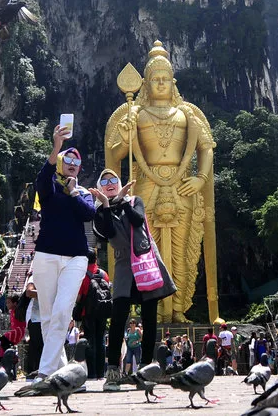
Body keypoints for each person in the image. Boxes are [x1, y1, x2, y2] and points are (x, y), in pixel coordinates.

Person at [104, 41, 219, 324]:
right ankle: (151, 310)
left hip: (182, 186)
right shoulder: (136, 114)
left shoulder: (186, 114)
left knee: (181, 250)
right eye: (155, 79)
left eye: (165, 79)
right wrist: (127, 134)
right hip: (146, 183)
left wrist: (200, 178)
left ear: (173, 82)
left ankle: (178, 308)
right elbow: (116, 153)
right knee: (146, 248)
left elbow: (207, 147)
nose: (160, 84)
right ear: (145, 83)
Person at [90, 168, 176, 391]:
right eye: (104, 181)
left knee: (149, 319)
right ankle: (112, 373)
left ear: (119, 183)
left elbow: (138, 222)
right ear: (100, 187)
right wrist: (108, 205)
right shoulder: (100, 212)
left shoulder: (135, 200)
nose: (110, 183)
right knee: (118, 318)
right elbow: (108, 232)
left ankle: (146, 370)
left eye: (113, 180)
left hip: (145, 264)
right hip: (123, 268)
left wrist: (125, 202)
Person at [31, 126, 95, 383]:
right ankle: (61, 369)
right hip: (46, 255)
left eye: (76, 162)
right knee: (47, 317)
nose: (71, 164)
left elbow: (88, 214)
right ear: (60, 163)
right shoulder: (49, 189)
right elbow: (41, 179)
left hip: (76, 257)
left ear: (79, 169)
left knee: (61, 312)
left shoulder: (84, 194)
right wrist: (56, 147)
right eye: (67, 159)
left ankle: (45, 372)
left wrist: (75, 191)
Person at [75, 249, 109, 379]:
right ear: (96, 259)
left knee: (90, 341)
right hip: (102, 311)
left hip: (88, 313)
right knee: (101, 340)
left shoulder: (84, 275)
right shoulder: (103, 274)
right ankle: (101, 372)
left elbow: (79, 297)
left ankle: (92, 372)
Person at [25, 271, 43, 376]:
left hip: (46, 317)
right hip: (35, 318)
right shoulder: (35, 276)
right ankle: (33, 372)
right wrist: (46, 293)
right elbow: (29, 292)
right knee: (36, 346)